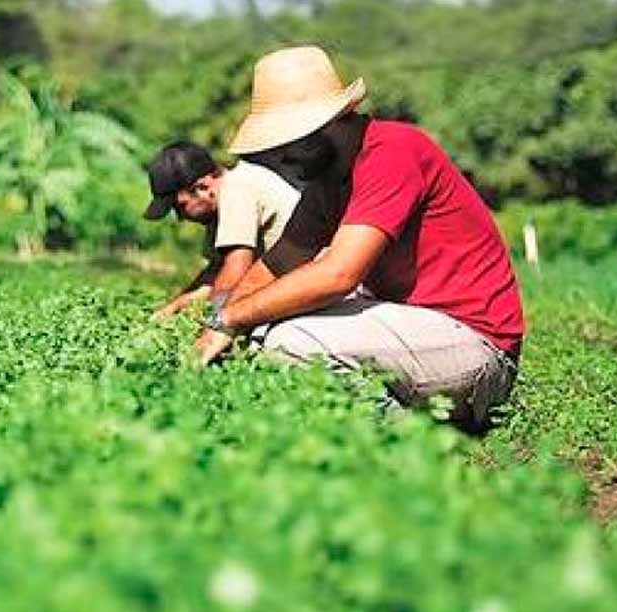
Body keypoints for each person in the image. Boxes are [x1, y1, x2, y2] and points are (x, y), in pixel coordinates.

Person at [195, 46, 525, 431]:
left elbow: (338, 275)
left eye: (288, 144)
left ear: (330, 122)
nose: (282, 159)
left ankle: (404, 442)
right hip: (419, 332)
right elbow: (275, 265)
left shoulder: (392, 151)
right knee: (262, 331)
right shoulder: (327, 182)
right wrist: (216, 322)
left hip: (476, 345)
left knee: (288, 342)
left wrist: (232, 317)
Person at [143, 141, 301, 320]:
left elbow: (236, 268)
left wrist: (210, 321)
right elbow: (215, 275)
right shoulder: (219, 205)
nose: (180, 217)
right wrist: (173, 308)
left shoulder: (237, 188)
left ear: (203, 187)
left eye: (180, 207)